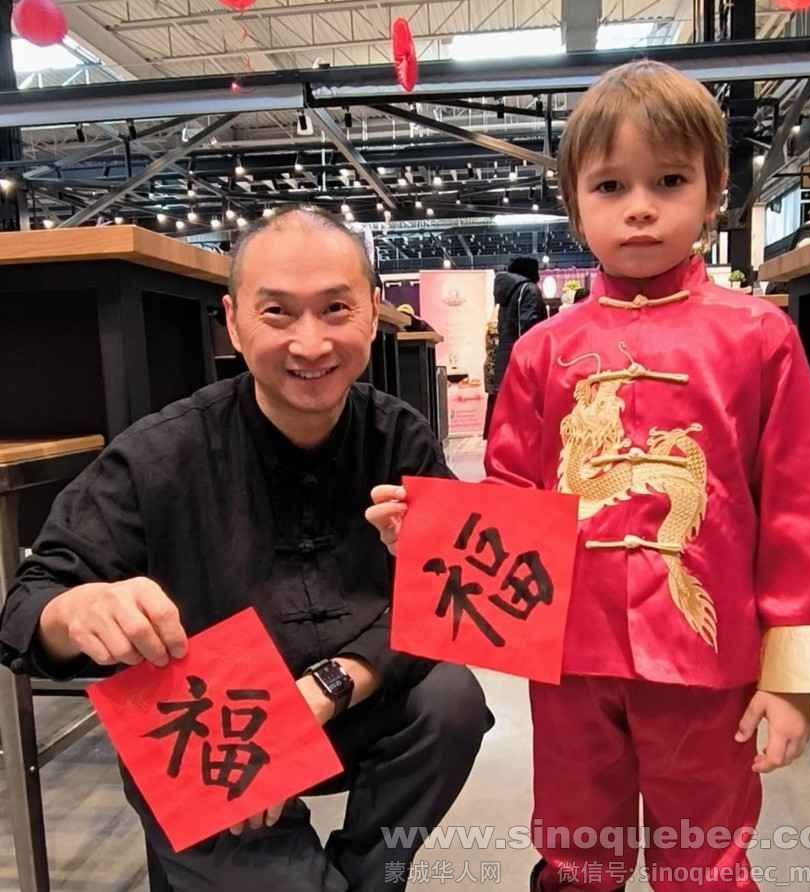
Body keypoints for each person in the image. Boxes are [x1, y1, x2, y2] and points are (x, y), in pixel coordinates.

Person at [367, 61, 810, 892]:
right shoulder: (542, 352)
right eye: (609, 185)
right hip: (570, 655)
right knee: (576, 852)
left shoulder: (758, 338)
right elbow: (512, 497)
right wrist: (426, 533)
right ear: (574, 204)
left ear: (711, 194)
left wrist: (794, 682)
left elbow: (799, 512)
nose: (639, 207)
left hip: (710, 661)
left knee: (704, 859)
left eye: (668, 181)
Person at [0, 206, 492, 892]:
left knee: (451, 700)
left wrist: (329, 686)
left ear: (371, 309)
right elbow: (29, 605)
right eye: (277, 313)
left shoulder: (398, 437)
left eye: (335, 308)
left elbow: (455, 604)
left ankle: (370, 875)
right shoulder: (160, 454)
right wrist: (78, 610)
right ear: (232, 322)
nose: (311, 344)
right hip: (216, 724)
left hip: (351, 702)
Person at [485, 256, 548, 436]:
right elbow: (529, 328)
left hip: (505, 359)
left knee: (510, 416)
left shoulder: (508, 292)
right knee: (527, 419)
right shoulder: (528, 290)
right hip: (523, 361)